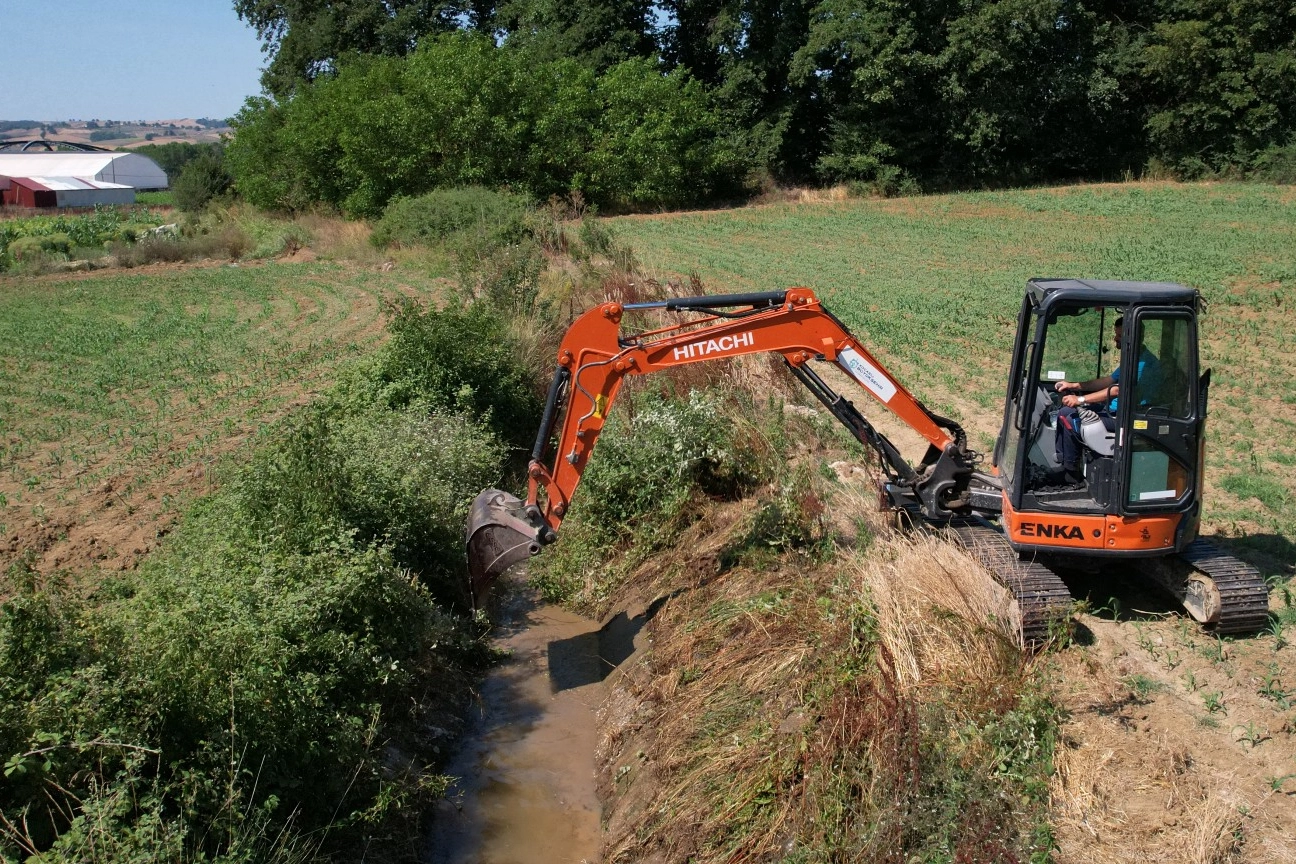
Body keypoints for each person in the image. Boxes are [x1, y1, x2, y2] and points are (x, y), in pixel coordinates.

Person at [1052, 317, 1157, 485]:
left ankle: (1071, 475)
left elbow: (1117, 390)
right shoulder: (1133, 358)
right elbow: (1108, 381)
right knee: (1065, 412)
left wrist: (1080, 399)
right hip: (1113, 410)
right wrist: (1074, 385)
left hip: (1124, 419)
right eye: (1116, 334)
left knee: (1070, 419)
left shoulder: (1144, 364)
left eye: (1120, 335)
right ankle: (1064, 465)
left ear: (1134, 337)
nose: (1115, 339)